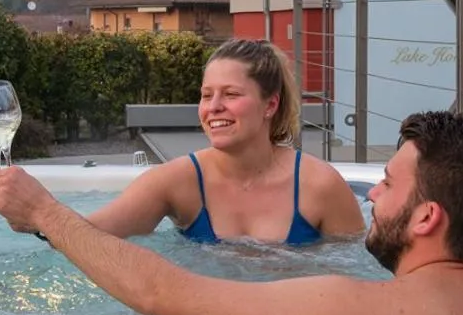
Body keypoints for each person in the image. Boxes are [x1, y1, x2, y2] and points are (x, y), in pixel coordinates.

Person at [0, 110, 463, 315]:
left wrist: (46, 215)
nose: (371, 193)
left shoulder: (351, 304)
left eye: (389, 183)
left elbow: (162, 295)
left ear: (428, 217)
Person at [86, 38, 364, 244]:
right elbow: (88, 234)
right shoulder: (177, 182)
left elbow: (357, 279)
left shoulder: (320, 187)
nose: (214, 107)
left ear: (270, 105)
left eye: (231, 94)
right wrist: (43, 212)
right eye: (207, 95)